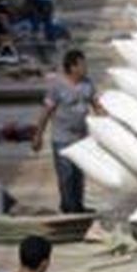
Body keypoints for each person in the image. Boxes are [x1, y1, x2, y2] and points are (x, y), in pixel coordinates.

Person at [32, 49, 99, 214]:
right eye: (82, 64)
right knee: (66, 174)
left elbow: (96, 105)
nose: (86, 67)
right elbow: (46, 111)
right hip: (62, 138)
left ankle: (78, 205)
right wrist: (38, 135)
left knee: (78, 173)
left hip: (81, 137)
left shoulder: (87, 84)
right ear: (73, 67)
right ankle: (68, 207)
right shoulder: (57, 86)